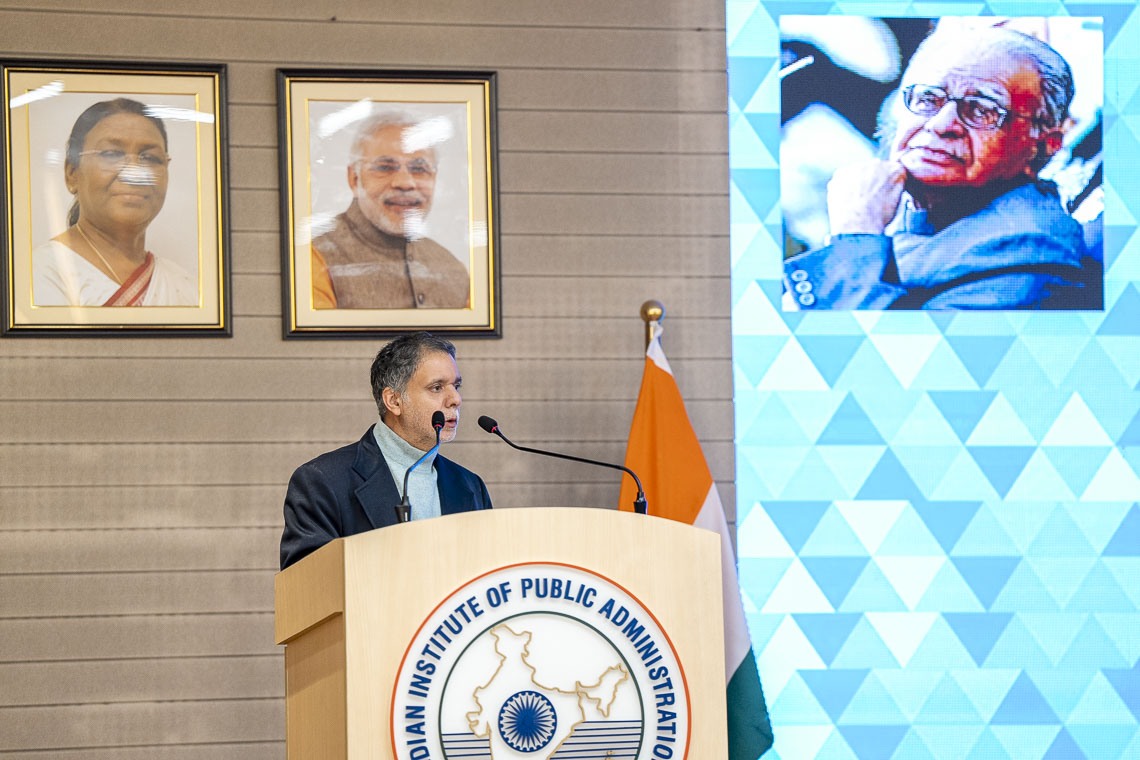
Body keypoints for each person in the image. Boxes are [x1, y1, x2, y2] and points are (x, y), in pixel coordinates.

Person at [784, 24, 1101, 310]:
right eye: (927, 98)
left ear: (1044, 145)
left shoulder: (1027, 252)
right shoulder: (921, 211)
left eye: (981, 109)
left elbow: (890, 364)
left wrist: (856, 232)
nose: (939, 124)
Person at [280, 332, 491, 570]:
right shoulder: (322, 481)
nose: (455, 399)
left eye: (456, 386)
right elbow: (306, 588)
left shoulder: (471, 486)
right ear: (394, 401)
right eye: (436, 387)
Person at [32, 98, 197, 307]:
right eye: (111, 154)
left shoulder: (185, 288)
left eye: (150, 158)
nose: (134, 174)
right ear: (72, 173)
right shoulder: (35, 276)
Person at [311, 112, 470, 310]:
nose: (404, 183)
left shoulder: (455, 271)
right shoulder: (315, 258)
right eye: (385, 167)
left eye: (419, 169)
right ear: (354, 178)